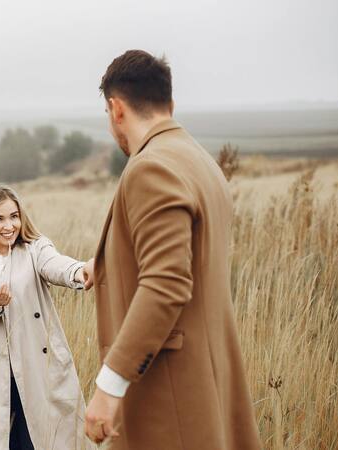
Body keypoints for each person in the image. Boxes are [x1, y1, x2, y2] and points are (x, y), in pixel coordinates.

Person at [83, 49, 261, 449]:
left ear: (115, 109)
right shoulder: (199, 160)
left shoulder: (152, 167)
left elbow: (166, 282)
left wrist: (110, 385)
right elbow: (186, 260)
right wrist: (110, 264)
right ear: (170, 104)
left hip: (171, 397)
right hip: (208, 385)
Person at [0, 184, 95, 450]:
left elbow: (57, 266)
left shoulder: (35, 249)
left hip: (37, 367)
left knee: (44, 441)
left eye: (14, 216)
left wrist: (81, 271)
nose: (9, 226)